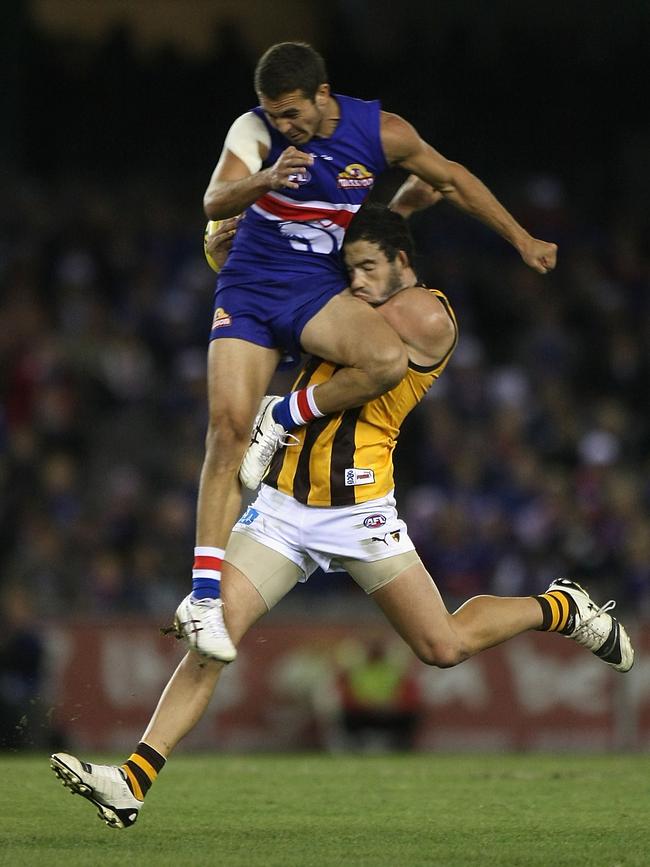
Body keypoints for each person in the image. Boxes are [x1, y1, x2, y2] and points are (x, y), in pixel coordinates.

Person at [50, 206, 630, 830]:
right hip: (282, 507)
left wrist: (250, 268)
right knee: (212, 634)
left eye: (367, 268)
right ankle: (133, 779)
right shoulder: (353, 303)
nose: (355, 281)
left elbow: (316, 318)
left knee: (443, 646)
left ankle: (561, 609)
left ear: (403, 263)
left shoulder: (426, 313)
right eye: (349, 268)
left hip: (359, 511)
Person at [177, 41, 558, 662]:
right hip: (250, 287)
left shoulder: (380, 133)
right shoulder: (254, 131)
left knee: (384, 360)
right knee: (224, 430)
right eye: (274, 114)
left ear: (323, 95)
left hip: (314, 293)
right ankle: (200, 596)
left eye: (293, 113)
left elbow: (452, 179)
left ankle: (285, 416)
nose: (284, 125)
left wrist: (521, 238)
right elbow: (214, 202)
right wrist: (266, 177)